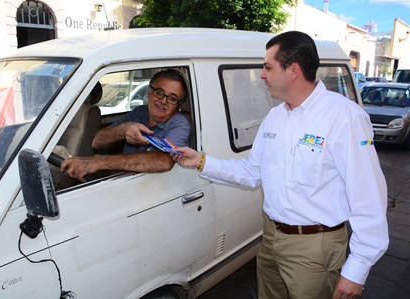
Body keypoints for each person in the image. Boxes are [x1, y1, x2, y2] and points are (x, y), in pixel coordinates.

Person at [172, 31, 388, 299]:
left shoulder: (345, 117)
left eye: (267, 67)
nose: (262, 74)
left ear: (293, 70)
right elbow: (252, 172)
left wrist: (357, 269)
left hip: (314, 248)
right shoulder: (275, 118)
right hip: (271, 239)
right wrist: (201, 161)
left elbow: (368, 197)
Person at [61, 69, 190, 181]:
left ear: (178, 104)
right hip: (123, 181)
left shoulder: (179, 124)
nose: (163, 101)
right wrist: (123, 130)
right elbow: (97, 142)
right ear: (149, 92)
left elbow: (164, 161)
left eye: (172, 98)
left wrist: (98, 162)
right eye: (159, 92)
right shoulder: (139, 112)